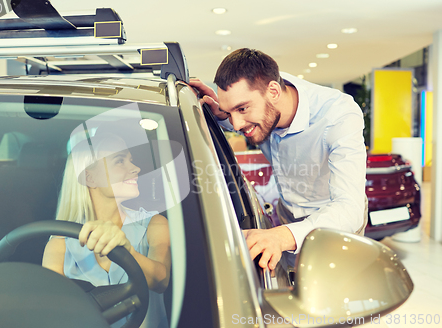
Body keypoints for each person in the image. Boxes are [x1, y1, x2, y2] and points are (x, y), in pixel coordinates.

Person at [189, 48, 367, 271]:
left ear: (273, 91)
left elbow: (350, 209)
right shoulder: (266, 99)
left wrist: (282, 237)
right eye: (230, 113)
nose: (235, 125)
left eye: (242, 108)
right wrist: (219, 113)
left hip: (333, 225)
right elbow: (243, 121)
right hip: (287, 217)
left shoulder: (338, 115)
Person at [42, 129, 170, 328]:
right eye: (120, 161)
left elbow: (160, 280)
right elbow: (53, 315)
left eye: (131, 160)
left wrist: (127, 251)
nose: (135, 168)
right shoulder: (59, 245)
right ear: (90, 178)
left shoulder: (154, 223)